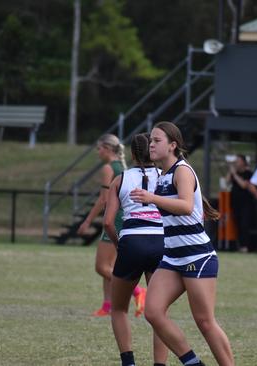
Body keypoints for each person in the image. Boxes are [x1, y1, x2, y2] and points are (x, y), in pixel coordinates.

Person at [131, 121, 234, 366]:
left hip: (197, 256)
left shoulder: (182, 171)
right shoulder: (162, 175)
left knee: (205, 321)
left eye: (157, 141)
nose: (151, 145)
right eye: (151, 140)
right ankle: (192, 362)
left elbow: (187, 206)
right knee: (153, 312)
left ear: (172, 145)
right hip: (173, 257)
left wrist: (151, 198)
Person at [103, 133, 169, 366]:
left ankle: (128, 362)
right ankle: (160, 364)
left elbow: (108, 222)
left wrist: (119, 244)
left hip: (132, 242)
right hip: (160, 242)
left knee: (119, 308)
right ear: (152, 151)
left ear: (131, 154)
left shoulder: (120, 179)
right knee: (159, 312)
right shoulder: (166, 176)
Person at [77, 134, 145, 317]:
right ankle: (107, 306)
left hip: (114, 218)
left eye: (99, 148)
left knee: (101, 267)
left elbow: (103, 199)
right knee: (110, 266)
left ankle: (138, 291)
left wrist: (87, 221)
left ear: (107, 149)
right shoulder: (122, 166)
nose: (98, 152)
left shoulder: (108, 168)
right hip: (124, 217)